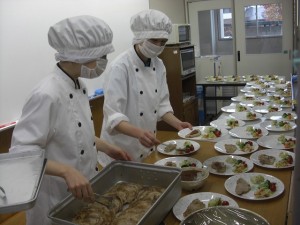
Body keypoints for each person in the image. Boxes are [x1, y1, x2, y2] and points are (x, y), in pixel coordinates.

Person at [9, 15, 131, 225]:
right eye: (101, 56)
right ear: (79, 55)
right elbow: (21, 155)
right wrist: (66, 171)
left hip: (81, 194)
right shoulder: (46, 94)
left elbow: (75, 133)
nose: (104, 62)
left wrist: (106, 147)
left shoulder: (78, 85)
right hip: (55, 199)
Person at [99, 9, 192, 166]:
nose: (158, 46)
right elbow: (113, 117)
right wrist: (139, 133)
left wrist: (178, 124)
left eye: (162, 42)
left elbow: (162, 105)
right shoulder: (120, 67)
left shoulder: (158, 64)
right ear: (140, 37)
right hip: (121, 147)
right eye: (154, 40)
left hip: (146, 144)